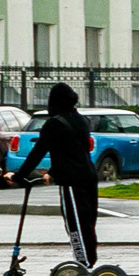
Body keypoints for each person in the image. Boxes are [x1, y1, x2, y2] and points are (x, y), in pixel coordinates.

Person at [14, 83, 98, 265]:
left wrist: (18, 176)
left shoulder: (54, 124)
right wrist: (51, 172)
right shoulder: (81, 120)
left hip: (72, 180)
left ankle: (83, 264)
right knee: (88, 221)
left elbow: (38, 152)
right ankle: (90, 260)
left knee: (75, 223)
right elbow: (76, 149)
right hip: (89, 175)